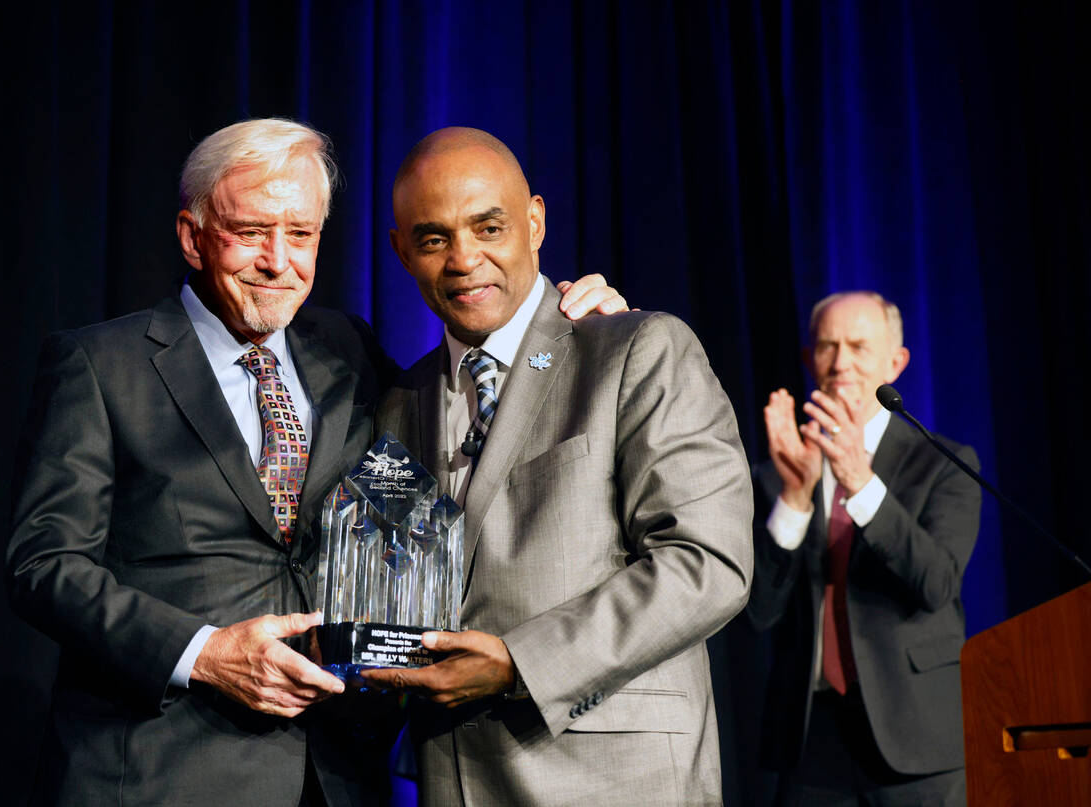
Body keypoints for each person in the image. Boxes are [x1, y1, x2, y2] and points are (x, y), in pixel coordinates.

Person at [5, 117, 623, 807]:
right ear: (192, 236)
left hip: (338, 778)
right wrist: (204, 652)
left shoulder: (347, 348)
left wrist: (563, 336)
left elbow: (465, 426)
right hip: (157, 772)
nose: (278, 259)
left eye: (300, 234)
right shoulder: (98, 364)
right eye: (250, 232)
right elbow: (43, 563)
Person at [361, 127, 753, 806]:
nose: (464, 259)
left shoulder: (635, 349)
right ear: (401, 251)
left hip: (618, 781)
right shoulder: (398, 403)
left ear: (535, 222)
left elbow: (707, 562)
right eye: (433, 239)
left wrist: (519, 662)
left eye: (489, 226)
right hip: (456, 779)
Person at [748, 291, 981, 805]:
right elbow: (758, 612)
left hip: (915, 735)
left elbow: (937, 584)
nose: (841, 363)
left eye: (858, 346)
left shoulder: (943, 463)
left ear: (895, 363)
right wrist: (794, 497)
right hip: (810, 740)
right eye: (827, 347)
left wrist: (861, 482)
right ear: (809, 359)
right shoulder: (778, 472)